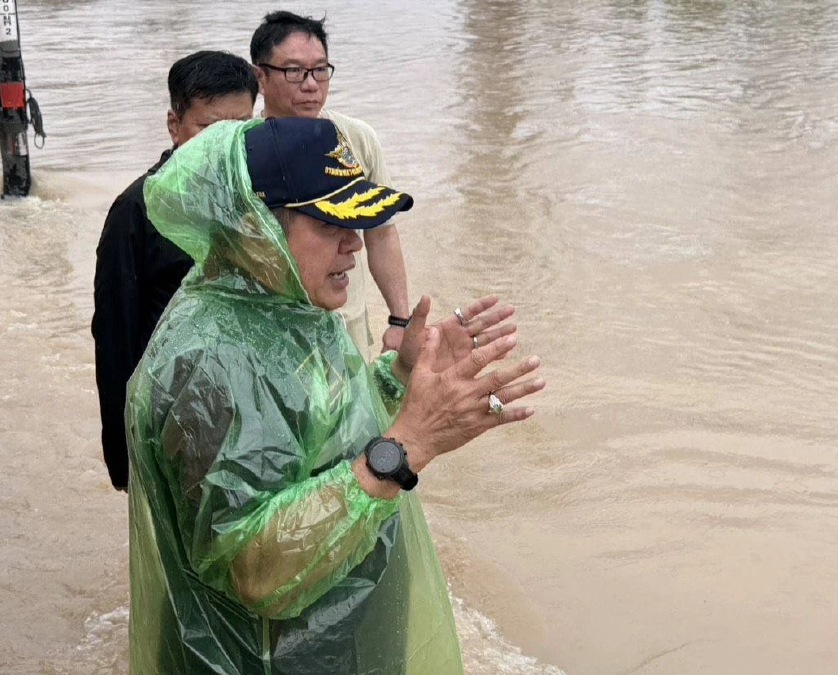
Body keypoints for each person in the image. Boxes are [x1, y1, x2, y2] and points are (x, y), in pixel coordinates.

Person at [126, 116, 545, 674]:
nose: (355, 244)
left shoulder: (292, 309)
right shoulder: (209, 360)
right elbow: (251, 567)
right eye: (330, 223)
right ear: (257, 226)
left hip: (338, 642)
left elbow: (319, 432)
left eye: (359, 221)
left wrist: (401, 375)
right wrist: (406, 446)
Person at [92, 51, 257, 491]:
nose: (224, 143)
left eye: (240, 128)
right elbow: (115, 339)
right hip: (171, 422)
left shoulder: (258, 202)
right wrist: (124, 458)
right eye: (208, 128)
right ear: (174, 124)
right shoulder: (135, 212)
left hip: (249, 415)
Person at [250, 11, 411, 354]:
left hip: (345, 329)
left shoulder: (357, 138)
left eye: (320, 70)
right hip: (271, 335)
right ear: (260, 77)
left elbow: (381, 233)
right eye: (294, 71)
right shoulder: (243, 149)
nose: (311, 84)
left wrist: (400, 321)